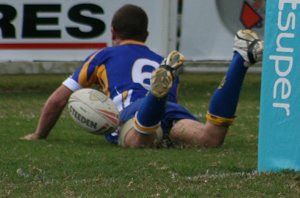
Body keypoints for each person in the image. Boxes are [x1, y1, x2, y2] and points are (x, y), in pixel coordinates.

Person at [21, 4, 263, 148]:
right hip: (170, 110)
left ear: (113, 31)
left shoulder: (103, 56)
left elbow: (58, 100)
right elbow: (174, 100)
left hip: (132, 111)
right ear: (146, 34)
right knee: (210, 138)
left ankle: (153, 100)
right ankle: (239, 61)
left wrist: (38, 134)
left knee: (139, 141)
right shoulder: (160, 60)